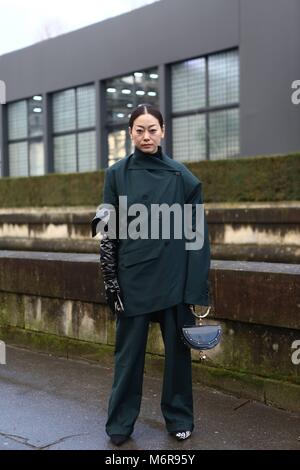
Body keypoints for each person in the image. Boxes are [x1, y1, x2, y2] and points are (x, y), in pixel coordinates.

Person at [97, 104, 211, 447]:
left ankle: (179, 419)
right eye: (139, 130)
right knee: (127, 357)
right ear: (130, 133)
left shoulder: (183, 177)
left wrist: (196, 290)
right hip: (132, 281)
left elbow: (198, 237)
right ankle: (119, 423)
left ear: (163, 131)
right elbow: (106, 228)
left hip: (175, 280)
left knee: (178, 358)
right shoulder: (115, 174)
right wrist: (110, 279)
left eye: (152, 129)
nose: (146, 136)